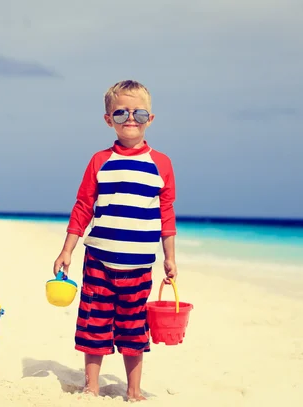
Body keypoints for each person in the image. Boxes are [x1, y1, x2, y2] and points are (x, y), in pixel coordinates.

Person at [52, 80, 178, 401]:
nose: (130, 119)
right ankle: (91, 385)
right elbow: (83, 206)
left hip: (139, 264)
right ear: (109, 119)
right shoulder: (100, 160)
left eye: (139, 113)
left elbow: (166, 213)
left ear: (151, 118)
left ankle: (133, 389)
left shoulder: (160, 163)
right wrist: (68, 249)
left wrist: (170, 257)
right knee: (94, 320)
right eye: (121, 113)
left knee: (134, 326)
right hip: (98, 260)